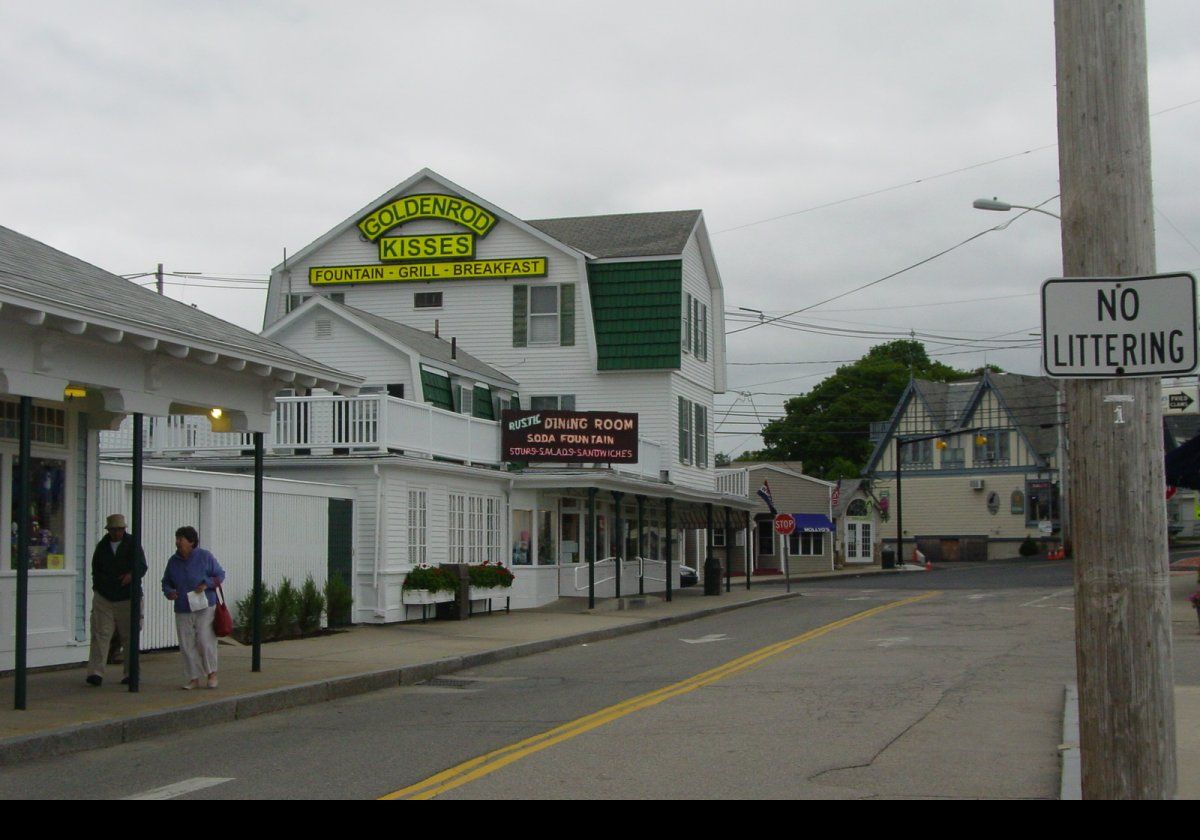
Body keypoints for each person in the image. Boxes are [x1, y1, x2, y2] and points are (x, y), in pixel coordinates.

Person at [86, 514, 147, 687]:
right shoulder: (102, 547)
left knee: (129, 636)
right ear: (109, 530)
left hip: (127, 596)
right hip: (104, 596)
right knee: (100, 634)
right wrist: (98, 588)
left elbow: (142, 566)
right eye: (114, 530)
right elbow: (95, 570)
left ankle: (131, 672)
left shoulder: (132, 544)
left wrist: (131, 575)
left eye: (120, 529)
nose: (117, 533)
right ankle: (95, 672)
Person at [162, 526, 225, 690]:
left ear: (191, 542)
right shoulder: (173, 561)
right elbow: (166, 581)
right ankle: (193, 677)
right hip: (183, 606)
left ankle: (212, 674)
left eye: (180, 539)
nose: (177, 542)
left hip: (204, 605)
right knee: (186, 643)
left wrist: (207, 584)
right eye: (177, 538)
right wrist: (169, 592)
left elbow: (220, 575)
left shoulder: (205, 556)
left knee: (205, 640)